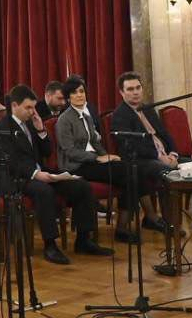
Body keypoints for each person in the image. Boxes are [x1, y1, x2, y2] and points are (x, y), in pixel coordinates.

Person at [0, 86, 110, 264]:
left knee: (82, 185)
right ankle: (50, 245)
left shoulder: (31, 123)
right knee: (44, 191)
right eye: (28, 108)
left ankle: (84, 240)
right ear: (14, 105)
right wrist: (36, 174)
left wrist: (41, 131)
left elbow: (46, 151)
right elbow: (10, 161)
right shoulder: (1, 128)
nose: (32, 112)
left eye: (33, 107)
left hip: (40, 171)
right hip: (15, 178)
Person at [109, 72, 192, 230]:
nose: (135, 92)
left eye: (138, 88)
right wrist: (159, 157)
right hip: (142, 161)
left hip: (165, 156)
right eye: (130, 89)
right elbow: (132, 146)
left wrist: (173, 154)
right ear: (121, 92)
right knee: (166, 172)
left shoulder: (148, 109)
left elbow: (165, 134)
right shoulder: (119, 116)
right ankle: (171, 223)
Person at [55, 76, 153, 240]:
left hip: (93, 161)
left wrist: (106, 155)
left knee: (131, 169)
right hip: (76, 165)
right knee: (127, 172)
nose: (79, 95)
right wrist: (96, 158)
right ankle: (128, 226)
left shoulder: (86, 117)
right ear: (67, 97)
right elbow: (69, 151)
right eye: (74, 93)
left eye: (81, 91)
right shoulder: (64, 120)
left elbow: (95, 142)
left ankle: (125, 226)